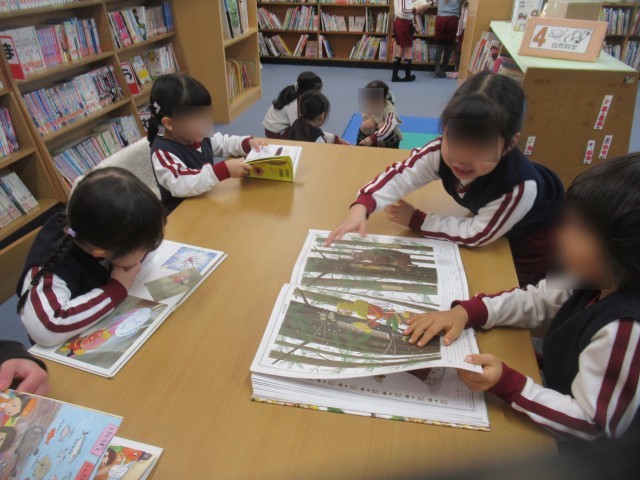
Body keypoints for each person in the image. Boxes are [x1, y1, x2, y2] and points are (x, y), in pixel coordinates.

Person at [403, 154, 640, 441]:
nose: (559, 234)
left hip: (575, 444)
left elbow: (592, 425)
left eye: (578, 231)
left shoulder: (625, 328)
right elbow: (538, 300)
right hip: (553, 382)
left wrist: (508, 383)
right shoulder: (594, 273)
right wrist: (467, 312)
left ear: (625, 251)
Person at [327, 72, 564, 287]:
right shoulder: (439, 151)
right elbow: (402, 175)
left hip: (533, 236)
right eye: (455, 138)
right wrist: (363, 205)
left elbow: (477, 233)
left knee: (510, 285)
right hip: (494, 215)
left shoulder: (518, 187)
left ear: (510, 143)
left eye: (479, 147)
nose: (462, 157)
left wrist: (418, 220)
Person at [17, 168, 166, 347]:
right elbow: (47, 328)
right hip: (67, 349)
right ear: (101, 253)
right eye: (143, 249)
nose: (147, 252)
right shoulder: (51, 266)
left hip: (106, 316)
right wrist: (117, 288)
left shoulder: (96, 226)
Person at [148, 74, 266, 213]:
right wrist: (223, 171)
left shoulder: (198, 135)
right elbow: (181, 182)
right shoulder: (162, 152)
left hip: (207, 201)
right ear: (169, 123)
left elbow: (223, 143)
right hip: (182, 215)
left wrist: (246, 143)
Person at [262, 72, 323, 139]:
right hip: (274, 132)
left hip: (280, 126)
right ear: (306, 93)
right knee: (303, 137)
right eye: (316, 94)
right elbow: (297, 127)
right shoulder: (292, 105)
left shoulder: (298, 94)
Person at [357, 80, 403, 149]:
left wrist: (373, 138)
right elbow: (365, 123)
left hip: (389, 138)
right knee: (367, 124)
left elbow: (389, 127)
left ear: (384, 100)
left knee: (382, 125)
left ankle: (389, 150)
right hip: (374, 137)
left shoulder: (390, 110)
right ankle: (361, 147)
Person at [392, 0, 430, 82]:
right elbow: (404, 9)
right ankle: (407, 76)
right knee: (408, 50)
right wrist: (416, 9)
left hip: (400, 21)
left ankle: (395, 76)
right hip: (403, 23)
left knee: (400, 49)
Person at [433, 0, 461, 78]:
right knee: (449, 46)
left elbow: (434, 1)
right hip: (453, 19)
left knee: (439, 46)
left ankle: (437, 68)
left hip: (440, 18)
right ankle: (443, 68)